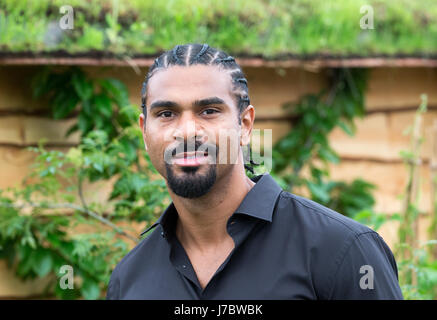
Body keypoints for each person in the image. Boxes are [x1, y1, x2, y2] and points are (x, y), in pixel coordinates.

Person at [106, 43, 403, 300]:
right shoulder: (129, 279)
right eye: (166, 114)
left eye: (208, 111)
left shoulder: (343, 252)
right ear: (145, 131)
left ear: (245, 125)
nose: (186, 131)